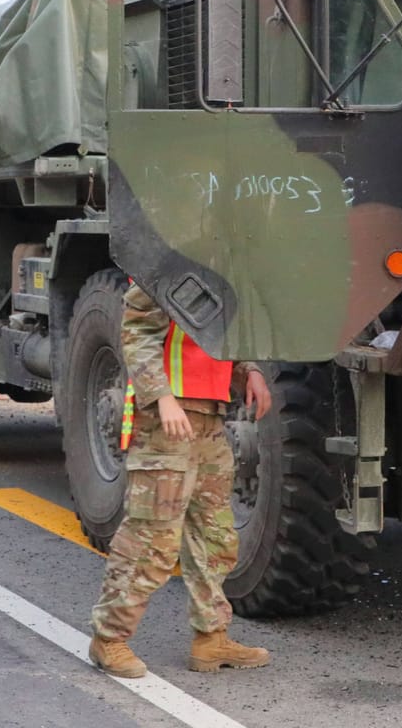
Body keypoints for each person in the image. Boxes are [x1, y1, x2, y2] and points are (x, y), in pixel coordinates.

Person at [89, 279, 274, 679]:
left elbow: (222, 335)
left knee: (214, 537)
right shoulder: (165, 263)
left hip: (210, 418)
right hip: (165, 421)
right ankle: (109, 639)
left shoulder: (224, 269)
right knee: (151, 538)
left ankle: (211, 638)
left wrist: (250, 371)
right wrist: (161, 397)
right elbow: (136, 330)